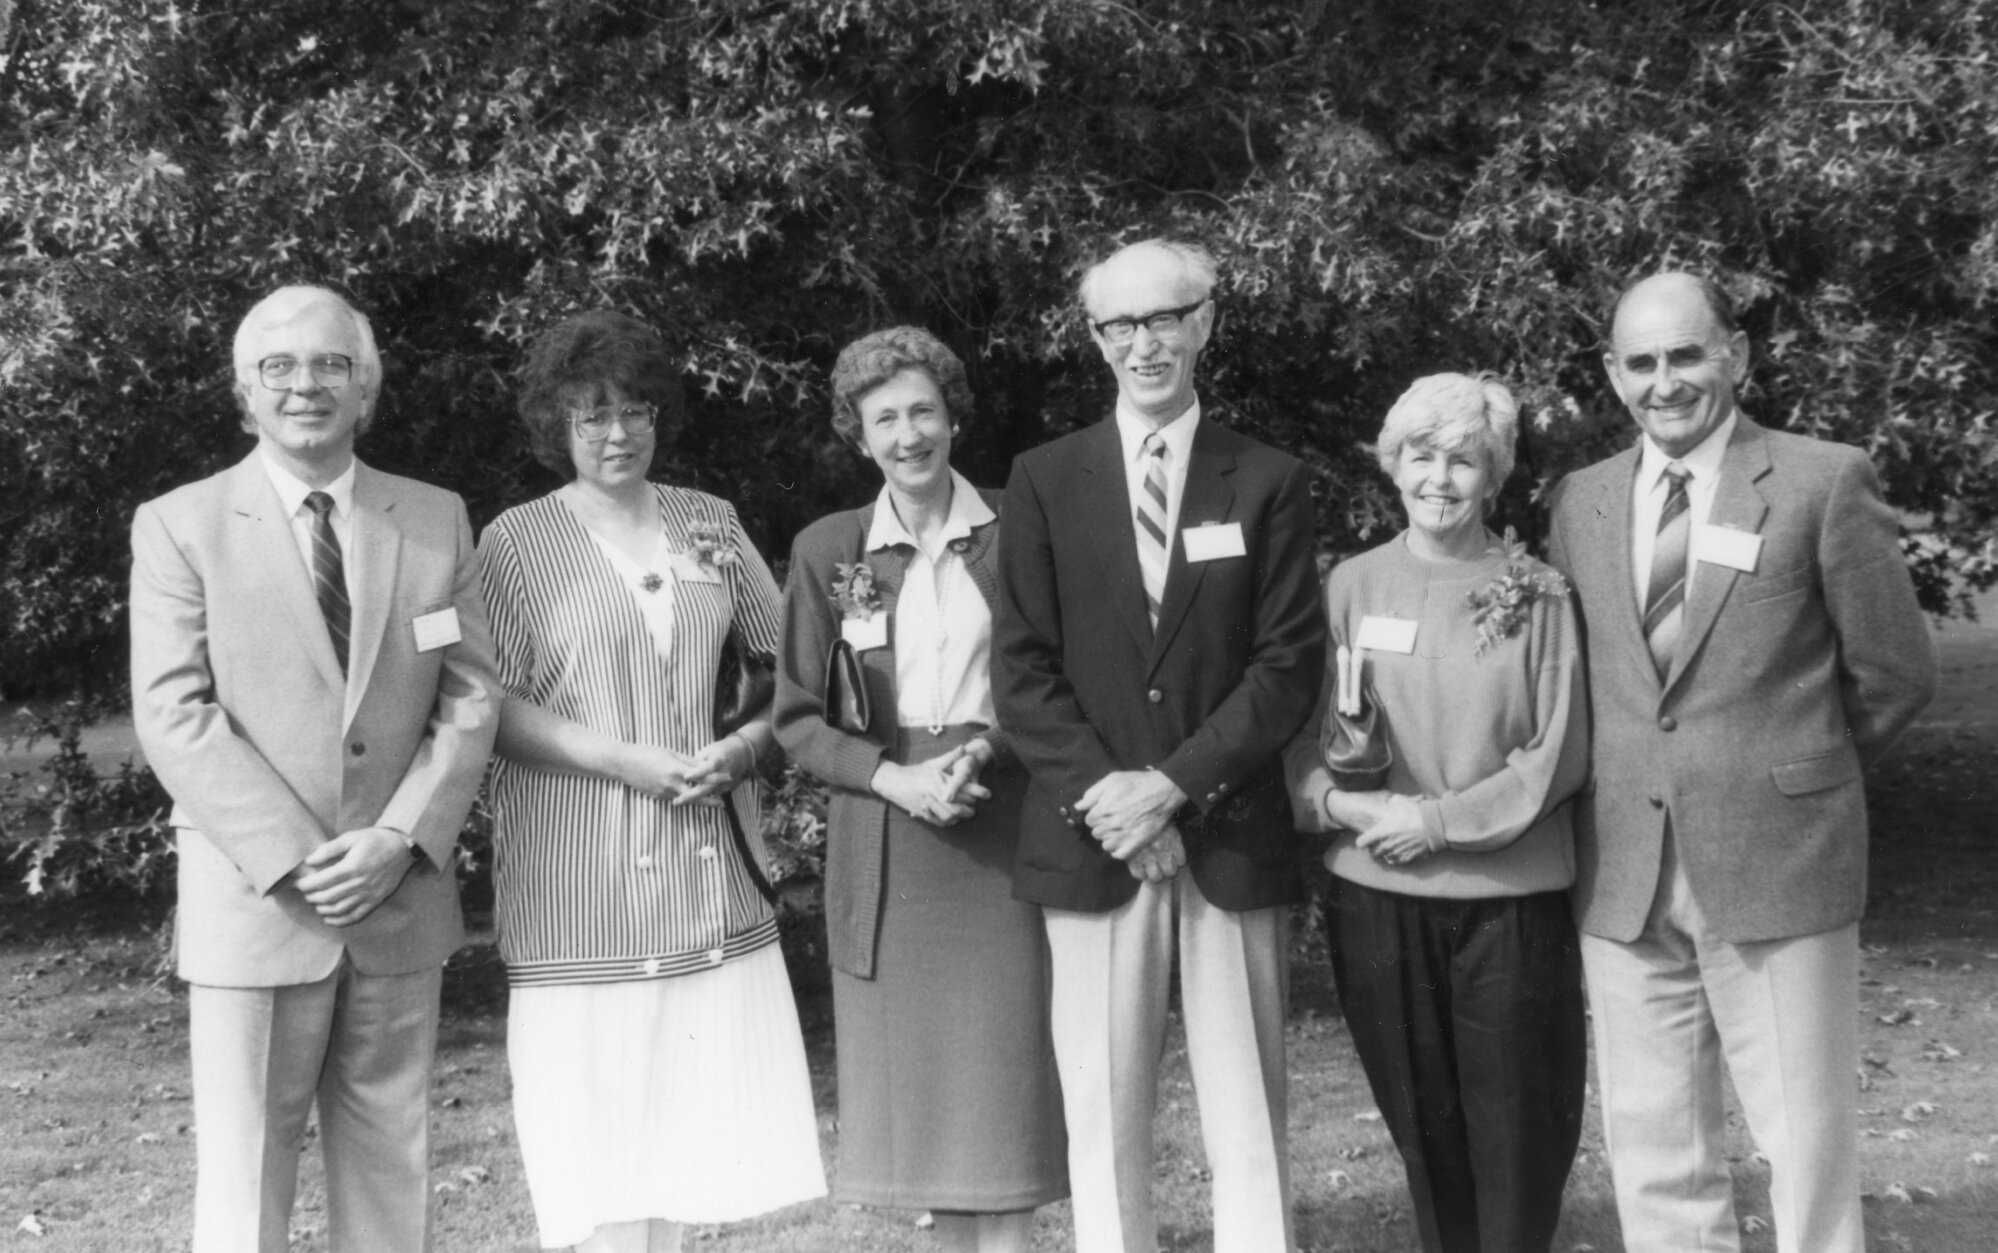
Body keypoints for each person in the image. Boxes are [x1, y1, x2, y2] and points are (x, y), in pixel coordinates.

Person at [1547, 272, 1938, 1253]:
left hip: (1782, 860)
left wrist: (1795, 774)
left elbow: (1892, 674)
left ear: (1737, 355)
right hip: (1625, 870)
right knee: (1653, 1150)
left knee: (1804, 1146)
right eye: (1640, 361)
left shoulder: (1821, 479)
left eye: (1686, 354)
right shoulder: (1582, 501)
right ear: (1611, 373)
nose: (1664, 380)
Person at [130, 285, 499, 1253]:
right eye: (279, 368)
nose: (306, 385)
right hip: (257, 903)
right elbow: (174, 713)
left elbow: (468, 694)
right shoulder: (179, 525)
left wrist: (397, 837)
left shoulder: (434, 519)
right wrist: (304, 857)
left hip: (397, 896)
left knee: (392, 1164)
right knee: (246, 1176)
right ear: (244, 392)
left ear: (366, 388)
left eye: (332, 364)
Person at [993, 238, 1325, 1253]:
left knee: (1247, 1106)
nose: (1145, 342)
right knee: (1102, 1102)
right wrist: (1115, 798)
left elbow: (1286, 664)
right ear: (1096, 341)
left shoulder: (1266, 479)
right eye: (1121, 325)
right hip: (1092, 837)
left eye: (1165, 317)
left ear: (1207, 322)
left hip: (1227, 830)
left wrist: (1171, 788)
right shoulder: (1043, 479)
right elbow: (1023, 668)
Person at [476, 310, 824, 1253]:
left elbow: (796, 668)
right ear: (557, 425)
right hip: (575, 879)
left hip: (705, 877)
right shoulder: (512, 543)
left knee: (689, 1139)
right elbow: (485, 704)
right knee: (595, 1142)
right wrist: (623, 759)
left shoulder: (708, 523)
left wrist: (746, 750)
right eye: (591, 416)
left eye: (634, 410)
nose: (617, 434)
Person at [773, 326, 1067, 1253]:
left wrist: (986, 752)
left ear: (953, 416)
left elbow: (1065, 678)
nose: (909, 434)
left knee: (1005, 1071)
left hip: (1003, 821)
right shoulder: (832, 548)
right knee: (930, 1096)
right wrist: (895, 778)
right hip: (892, 838)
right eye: (886, 417)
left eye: (924, 411)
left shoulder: (1021, 528)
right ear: (859, 435)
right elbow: (796, 718)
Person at [1283, 374, 1588, 1252]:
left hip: (1505, 903)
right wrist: (1341, 801)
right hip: (1375, 900)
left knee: (1519, 1138)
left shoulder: (1538, 593)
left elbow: (1556, 756)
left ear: (1494, 478)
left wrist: (1439, 822)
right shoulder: (1351, 585)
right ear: (1393, 465)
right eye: (1422, 456)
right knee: (1427, 1139)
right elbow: (1301, 744)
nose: (1440, 478)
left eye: (1464, 460)